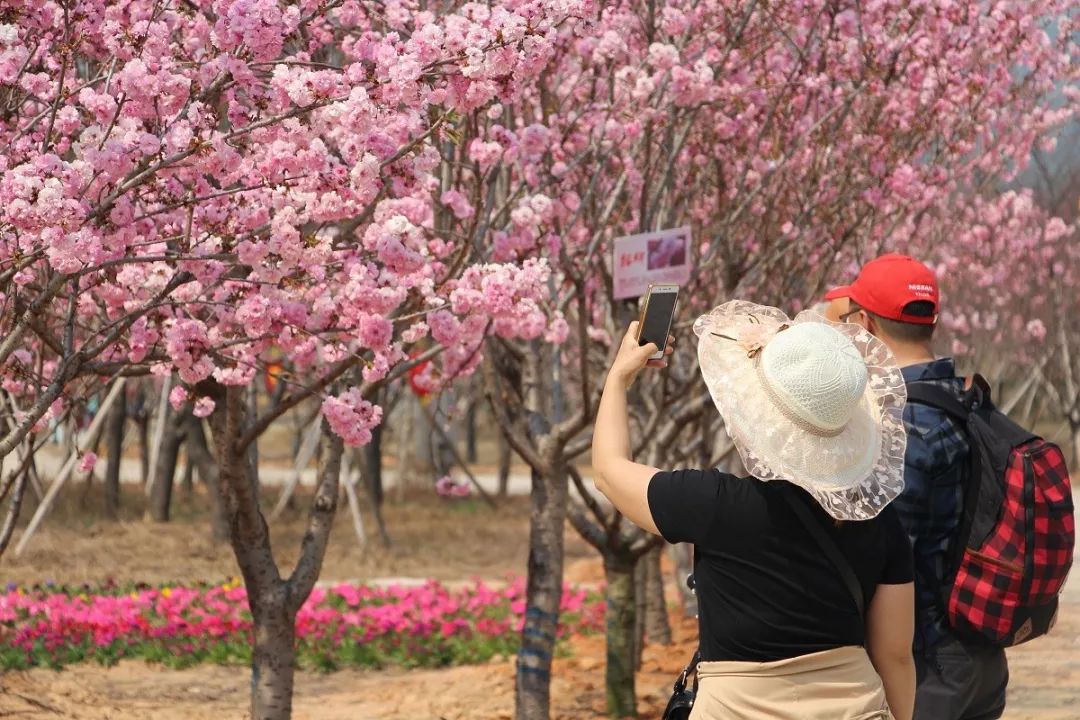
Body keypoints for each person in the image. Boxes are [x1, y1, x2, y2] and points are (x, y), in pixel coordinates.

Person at [592, 301, 916, 720]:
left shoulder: (715, 504)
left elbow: (608, 471)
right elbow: (896, 657)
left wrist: (618, 378)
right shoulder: (876, 516)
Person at [828, 253, 1009, 720]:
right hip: (979, 657)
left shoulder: (902, 424)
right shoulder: (966, 399)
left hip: (924, 668)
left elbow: (887, 555)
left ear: (865, 323)